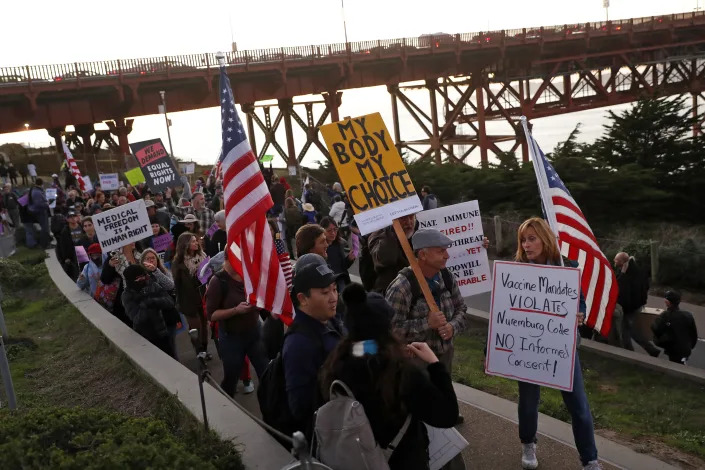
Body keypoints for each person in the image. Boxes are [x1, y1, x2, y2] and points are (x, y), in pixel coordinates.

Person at [320, 283, 460, 470]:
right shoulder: (401, 373)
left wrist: (389, 351)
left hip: (354, 459)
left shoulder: (335, 363)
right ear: (385, 327)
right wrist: (435, 364)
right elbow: (447, 415)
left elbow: (365, 348)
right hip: (402, 461)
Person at [513, 217, 600, 470]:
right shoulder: (517, 269)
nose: (526, 245)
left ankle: (590, 459)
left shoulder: (568, 266)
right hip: (527, 346)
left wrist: (580, 313)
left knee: (579, 405)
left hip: (562, 347)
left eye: (531, 238)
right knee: (528, 401)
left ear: (545, 239)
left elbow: (580, 300)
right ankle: (528, 443)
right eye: (523, 240)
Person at [283, 254, 344, 437]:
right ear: (303, 298)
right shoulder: (298, 345)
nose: (333, 297)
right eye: (325, 292)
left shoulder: (331, 321)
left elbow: (351, 350)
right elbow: (300, 407)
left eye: (334, 289)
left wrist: (376, 349)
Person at [205, 257, 269, 397]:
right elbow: (211, 315)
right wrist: (235, 310)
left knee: (266, 373)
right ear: (228, 259)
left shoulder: (249, 274)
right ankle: (227, 404)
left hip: (254, 332)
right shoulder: (218, 281)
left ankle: (270, 409)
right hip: (231, 338)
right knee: (231, 376)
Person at [121, 264, 177, 357]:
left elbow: (169, 301)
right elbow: (137, 319)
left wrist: (152, 301)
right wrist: (145, 305)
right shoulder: (127, 295)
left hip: (163, 333)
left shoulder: (152, 285)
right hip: (146, 338)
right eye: (138, 278)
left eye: (143, 276)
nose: (142, 279)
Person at [614, 252, 660, 357]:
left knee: (627, 330)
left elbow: (620, 286)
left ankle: (630, 353)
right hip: (637, 305)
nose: (614, 262)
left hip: (629, 307)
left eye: (616, 260)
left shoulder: (627, 274)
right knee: (630, 329)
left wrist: (623, 274)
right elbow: (646, 286)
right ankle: (649, 350)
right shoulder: (638, 270)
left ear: (621, 262)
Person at [171, 231, 210, 356]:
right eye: (193, 241)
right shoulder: (178, 263)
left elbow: (209, 275)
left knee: (204, 326)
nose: (196, 243)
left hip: (203, 297)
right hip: (188, 300)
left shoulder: (203, 257)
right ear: (185, 244)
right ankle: (198, 351)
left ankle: (204, 349)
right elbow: (176, 285)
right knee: (195, 327)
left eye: (196, 240)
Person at [368, 213, 417, 293]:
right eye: (402, 218)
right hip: (389, 291)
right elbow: (387, 258)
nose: (408, 222)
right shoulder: (379, 236)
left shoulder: (417, 235)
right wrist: (391, 233)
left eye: (411, 217)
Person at [652, 290, 698, 365]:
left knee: (676, 364)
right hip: (686, 349)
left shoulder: (666, 315)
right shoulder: (688, 315)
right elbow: (694, 334)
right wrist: (690, 346)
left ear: (667, 302)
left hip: (673, 349)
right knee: (681, 362)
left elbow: (655, 328)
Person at [320, 217, 353, 293]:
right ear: (322, 231)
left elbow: (343, 267)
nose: (333, 233)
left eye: (335, 229)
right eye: (329, 230)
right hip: (329, 285)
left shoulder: (338, 244)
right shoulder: (319, 247)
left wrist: (349, 259)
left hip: (342, 281)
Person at [55, 209, 82, 280]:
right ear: (67, 219)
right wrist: (66, 257)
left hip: (83, 251)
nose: (73, 218)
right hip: (73, 255)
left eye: (74, 216)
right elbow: (62, 246)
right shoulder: (65, 231)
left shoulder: (82, 227)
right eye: (70, 217)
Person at [27, 178, 51, 248]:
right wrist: (47, 203)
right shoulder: (37, 192)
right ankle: (45, 244)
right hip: (41, 212)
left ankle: (46, 243)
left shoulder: (36, 190)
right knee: (45, 229)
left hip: (40, 211)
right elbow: (38, 204)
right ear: (41, 184)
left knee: (45, 228)